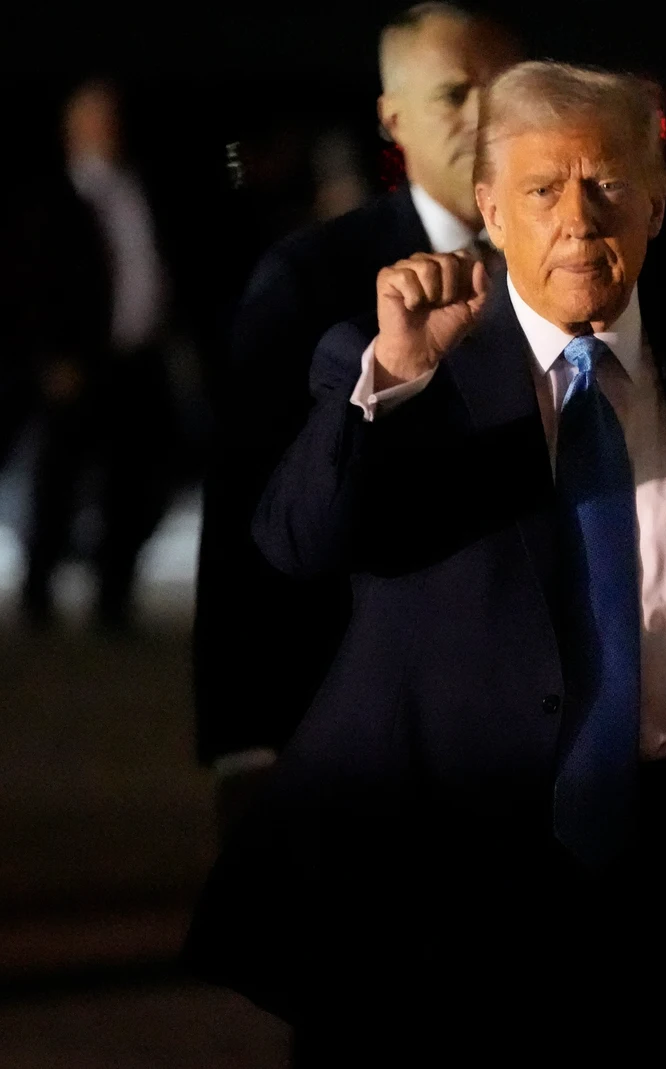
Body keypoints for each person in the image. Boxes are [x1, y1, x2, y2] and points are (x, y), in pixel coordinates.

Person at [185, 61, 666, 1065]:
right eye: (543, 190)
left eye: (607, 184)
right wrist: (392, 380)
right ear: (489, 210)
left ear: (657, 202)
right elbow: (295, 543)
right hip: (450, 886)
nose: (579, 220)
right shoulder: (406, 371)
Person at [193, 4, 519, 818]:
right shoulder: (313, 278)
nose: (482, 115)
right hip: (355, 732)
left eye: (503, 90)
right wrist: (246, 739)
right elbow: (246, 512)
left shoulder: (575, 268)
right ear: (393, 118)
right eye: (453, 94)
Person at [21, 80, 182, 633]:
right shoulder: (57, 200)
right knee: (58, 482)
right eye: (94, 121)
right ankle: (37, 595)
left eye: (111, 120)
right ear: (73, 131)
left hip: (139, 358)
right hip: (79, 364)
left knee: (137, 481)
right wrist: (54, 357)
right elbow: (37, 286)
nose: (106, 132)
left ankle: (113, 598)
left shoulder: (144, 189)